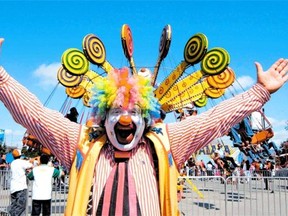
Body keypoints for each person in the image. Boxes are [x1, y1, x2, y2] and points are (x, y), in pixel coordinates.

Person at [0, 36, 287, 215]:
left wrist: (259, 92)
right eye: (116, 110)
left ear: (148, 115)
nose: (125, 119)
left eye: (134, 110)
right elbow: (34, 114)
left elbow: (216, 120)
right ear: (102, 114)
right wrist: (1, 78)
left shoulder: (167, 140)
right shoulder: (80, 141)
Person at [8, 149, 33, 216]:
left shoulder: (13, 163)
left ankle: (11, 211)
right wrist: (32, 160)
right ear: (20, 155)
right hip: (21, 187)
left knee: (15, 204)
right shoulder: (21, 162)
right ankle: (10, 211)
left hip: (13, 188)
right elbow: (30, 165)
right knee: (21, 206)